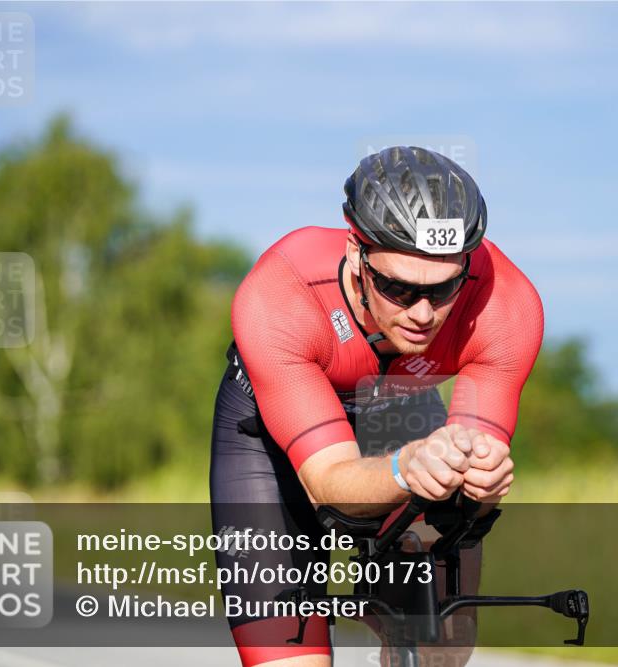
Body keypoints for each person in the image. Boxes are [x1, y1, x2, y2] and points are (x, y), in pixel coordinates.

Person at [210, 146, 543, 666]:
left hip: (398, 409)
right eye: (397, 287)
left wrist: (480, 487)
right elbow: (329, 482)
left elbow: (475, 474)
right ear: (355, 252)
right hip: (268, 434)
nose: (423, 313)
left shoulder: (505, 304)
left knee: (443, 644)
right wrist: (406, 471)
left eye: (444, 287)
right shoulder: (281, 295)